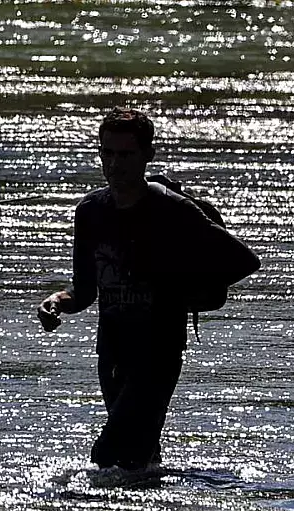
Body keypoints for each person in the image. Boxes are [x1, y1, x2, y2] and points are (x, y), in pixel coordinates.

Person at [38, 107, 259, 472]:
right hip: (112, 348)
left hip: (158, 350)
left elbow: (244, 261)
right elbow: (84, 291)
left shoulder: (173, 209)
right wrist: (55, 302)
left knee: (108, 453)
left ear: (147, 156)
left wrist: (183, 295)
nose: (115, 164)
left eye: (126, 154)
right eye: (107, 153)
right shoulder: (90, 211)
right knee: (136, 456)